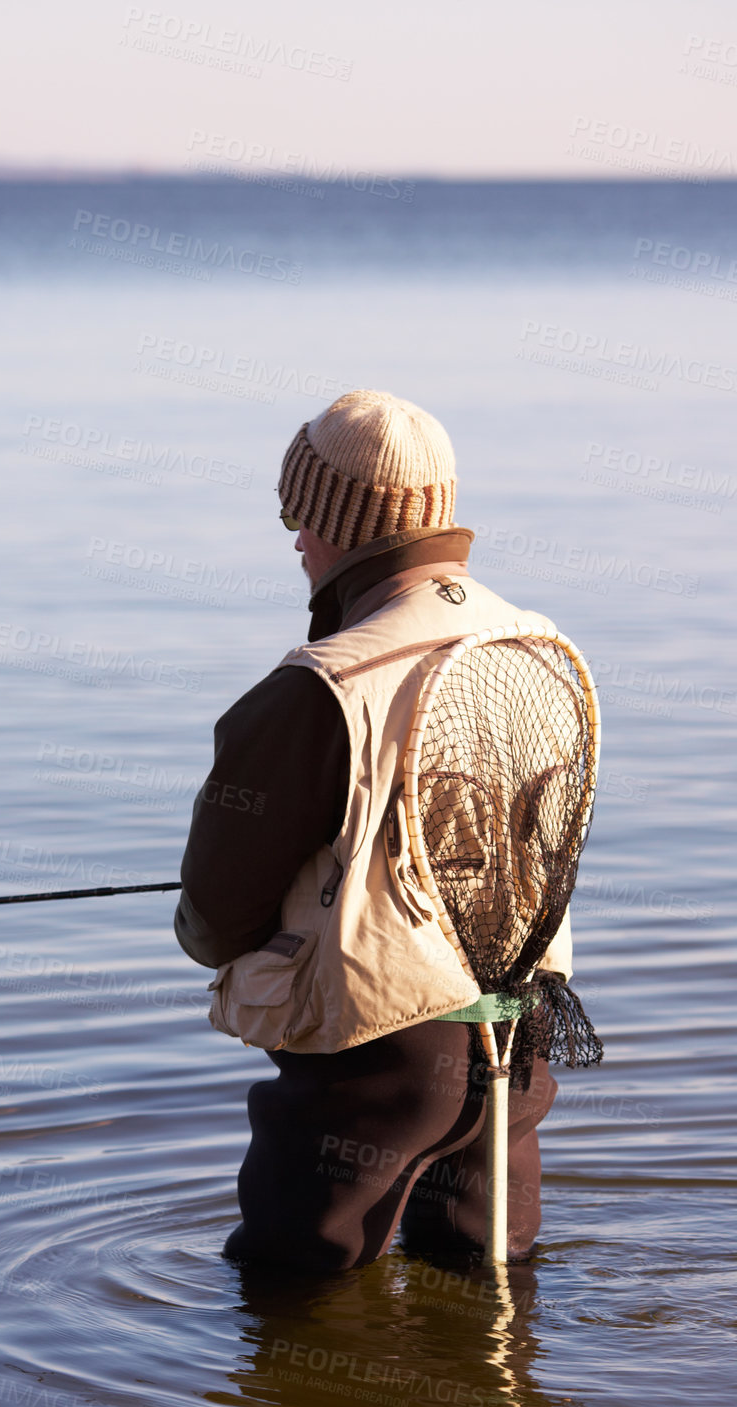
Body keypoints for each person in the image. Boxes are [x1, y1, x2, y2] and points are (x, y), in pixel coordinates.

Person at [175, 389, 581, 1274]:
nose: (293, 540)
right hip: (518, 1035)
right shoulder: (537, 644)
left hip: (375, 1067)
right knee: (484, 1291)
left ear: (340, 523)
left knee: (290, 1298)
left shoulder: (316, 688)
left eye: (300, 515)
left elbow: (214, 914)